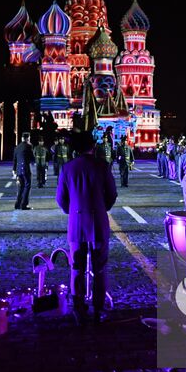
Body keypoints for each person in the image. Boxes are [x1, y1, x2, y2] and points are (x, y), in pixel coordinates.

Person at [56, 131, 117, 324]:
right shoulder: (102, 166)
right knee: (100, 268)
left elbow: (61, 199)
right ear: (93, 146)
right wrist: (101, 208)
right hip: (98, 222)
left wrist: (72, 211)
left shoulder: (67, 168)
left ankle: (79, 309)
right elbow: (112, 194)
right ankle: (98, 309)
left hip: (76, 223)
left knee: (76, 268)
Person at [13, 131, 34, 210]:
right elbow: (32, 157)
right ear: (28, 138)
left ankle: (17, 204)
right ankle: (24, 204)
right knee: (27, 185)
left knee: (20, 187)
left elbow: (14, 159)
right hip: (26, 169)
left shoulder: (17, 147)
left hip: (18, 169)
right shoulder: (29, 146)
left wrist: (14, 170)